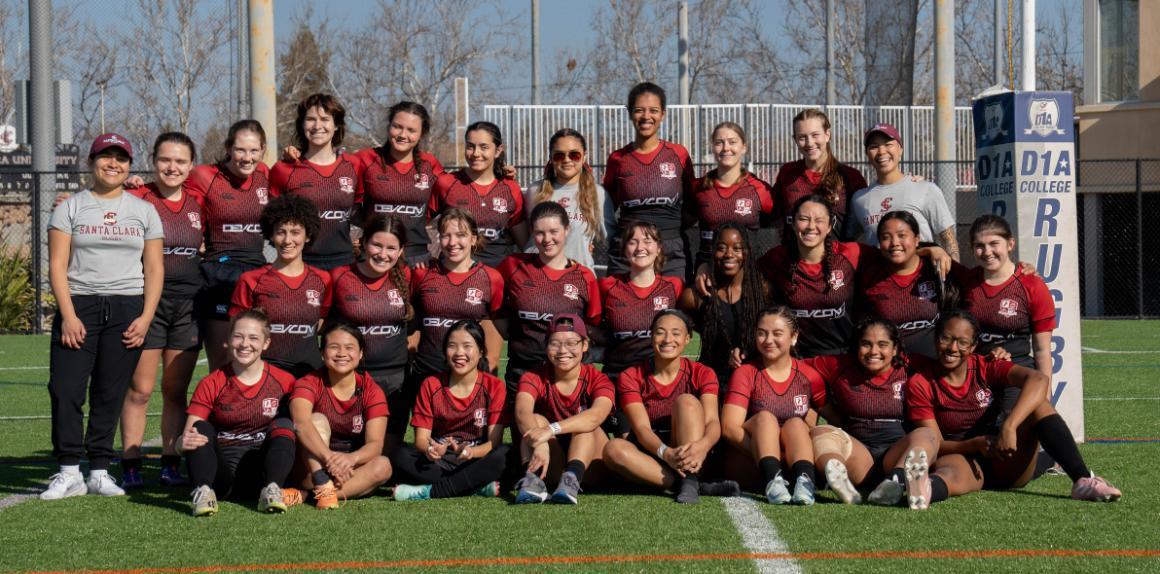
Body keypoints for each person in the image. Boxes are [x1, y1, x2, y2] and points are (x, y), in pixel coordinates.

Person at [878, 310, 1121, 509]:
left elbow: (1038, 380)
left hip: (1003, 459)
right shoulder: (921, 382)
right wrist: (973, 445)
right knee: (950, 473)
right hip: (959, 454)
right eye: (946, 339)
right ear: (935, 340)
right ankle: (924, 489)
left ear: (974, 346)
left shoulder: (986, 366)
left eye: (962, 342)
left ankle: (1082, 480)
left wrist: (1009, 425)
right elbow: (935, 442)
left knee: (1039, 405)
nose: (952, 347)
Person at [41, 133, 164, 500]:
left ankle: (98, 470)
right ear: (91, 162)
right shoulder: (70, 208)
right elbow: (57, 265)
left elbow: (155, 268)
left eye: (121, 158)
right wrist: (68, 314)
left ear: (129, 165)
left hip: (127, 307)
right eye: (105, 157)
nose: (114, 164)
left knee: (109, 393)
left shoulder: (143, 210)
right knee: (65, 390)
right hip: (80, 305)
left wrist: (145, 318)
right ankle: (67, 470)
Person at [758, 195, 949, 358]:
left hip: (843, 356)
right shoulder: (776, 259)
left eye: (819, 220)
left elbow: (893, 251)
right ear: (793, 223)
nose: (811, 226)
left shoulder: (850, 253)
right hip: (798, 358)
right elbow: (748, 276)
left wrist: (932, 249)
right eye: (804, 219)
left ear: (829, 226)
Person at [120, 132, 203, 489]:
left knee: (174, 390)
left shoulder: (200, 201)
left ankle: (171, 462)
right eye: (165, 160)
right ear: (153, 161)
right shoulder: (136, 196)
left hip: (189, 306)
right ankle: (131, 462)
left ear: (191, 166)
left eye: (180, 161)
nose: (172, 167)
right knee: (139, 389)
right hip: (146, 302)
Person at [602, 310, 739, 504]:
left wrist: (703, 446)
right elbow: (642, 429)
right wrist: (665, 453)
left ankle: (690, 479)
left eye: (676, 333)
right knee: (612, 450)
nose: (667, 339)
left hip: (696, 456)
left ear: (687, 339)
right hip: (656, 455)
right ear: (651, 336)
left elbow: (712, 421)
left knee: (687, 402)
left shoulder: (703, 373)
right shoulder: (631, 376)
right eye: (660, 332)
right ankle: (691, 485)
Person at [179, 309, 299, 516]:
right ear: (228, 340)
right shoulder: (212, 382)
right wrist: (179, 443)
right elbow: (189, 435)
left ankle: (273, 490)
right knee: (199, 428)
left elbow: (300, 429)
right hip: (220, 478)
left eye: (254, 338)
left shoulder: (285, 381)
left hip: (261, 473)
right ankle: (204, 493)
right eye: (238, 336)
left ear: (266, 343)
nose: (245, 344)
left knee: (285, 425)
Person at [805, 318, 929, 505]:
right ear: (856, 346)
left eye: (882, 345)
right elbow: (796, 368)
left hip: (896, 455)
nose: (874, 352)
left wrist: (990, 358)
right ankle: (838, 476)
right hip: (858, 455)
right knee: (820, 432)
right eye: (866, 344)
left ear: (895, 349)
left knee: (926, 434)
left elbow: (949, 365)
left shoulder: (910, 366)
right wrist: (823, 403)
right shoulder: (840, 366)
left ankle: (897, 481)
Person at [187, 119, 272, 370]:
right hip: (219, 275)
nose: (247, 158)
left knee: (256, 361)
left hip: (257, 274)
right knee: (223, 363)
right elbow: (168, 195)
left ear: (263, 149)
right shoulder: (204, 176)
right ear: (228, 147)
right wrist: (134, 184)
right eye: (241, 150)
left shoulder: (265, 174)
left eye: (254, 150)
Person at [391, 320, 508, 500]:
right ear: (445, 352)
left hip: (474, 458)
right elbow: (421, 439)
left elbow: (494, 442)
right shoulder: (431, 384)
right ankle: (473, 486)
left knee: (504, 455)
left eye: (467, 346)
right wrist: (432, 450)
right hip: (440, 460)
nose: (459, 353)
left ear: (481, 352)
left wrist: (470, 452)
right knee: (399, 456)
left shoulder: (494, 386)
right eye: (452, 346)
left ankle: (430, 492)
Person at [721, 307, 826, 505]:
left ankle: (805, 482)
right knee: (765, 418)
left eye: (777, 333)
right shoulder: (745, 372)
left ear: (794, 337)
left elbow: (819, 422)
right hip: (750, 461)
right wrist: (771, 456)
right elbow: (729, 428)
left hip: (791, 459)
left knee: (796, 423)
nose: (768, 340)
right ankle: (772, 479)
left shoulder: (809, 376)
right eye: (762, 333)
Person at [497, 201, 602, 395]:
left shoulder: (584, 277)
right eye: (539, 232)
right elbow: (496, 312)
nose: (547, 239)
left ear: (567, 230)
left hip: (569, 373)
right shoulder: (512, 266)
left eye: (554, 231)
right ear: (531, 232)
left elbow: (591, 325)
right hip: (523, 371)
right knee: (526, 424)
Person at [328, 215, 412, 452]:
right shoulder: (340, 277)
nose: (383, 254)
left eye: (391, 248)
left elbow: (414, 323)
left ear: (401, 250)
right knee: (348, 449)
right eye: (377, 245)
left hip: (395, 379)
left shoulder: (407, 276)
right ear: (363, 243)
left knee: (387, 455)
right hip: (352, 378)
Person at [287, 322, 393, 509]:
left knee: (383, 465)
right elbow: (301, 423)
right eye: (334, 347)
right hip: (310, 467)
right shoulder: (308, 382)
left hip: (347, 469)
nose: (342, 353)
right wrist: (329, 459)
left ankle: (310, 495)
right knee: (316, 419)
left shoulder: (372, 390)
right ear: (322, 353)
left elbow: (375, 445)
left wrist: (351, 459)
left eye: (349, 348)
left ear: (360, 354)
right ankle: (320, 485)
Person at [513, 314, 615, 505]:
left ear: (584, 345)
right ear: (546, 346)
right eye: (555, 343)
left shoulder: (598, 379)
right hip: (550, 462)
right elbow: (522, 413)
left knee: (583, 423)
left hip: (591, 465)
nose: (562, 351)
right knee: (535, 418)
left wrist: (550, 430)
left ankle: (571, 480)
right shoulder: (533, 377)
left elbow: (596, 416)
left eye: (571, 343)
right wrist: (540, 442)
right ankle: (534, 481)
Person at [410, 209, 505, 403]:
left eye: (461, 235)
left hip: (470, 375)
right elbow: (412, 322)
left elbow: (497, 325)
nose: (453, 243)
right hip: (428, 373)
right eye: (446, 236)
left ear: (473, 238)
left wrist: (488, 364)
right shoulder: (422, 274)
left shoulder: (490, 278)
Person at [230, 195, 331, 378]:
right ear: (270, 234)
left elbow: (321, 323)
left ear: (308, 235)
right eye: (281, 231)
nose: (287, 240)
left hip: (310, 372)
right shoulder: (251, 280)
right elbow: (237, 333)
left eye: (295, 232)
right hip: (265, 373)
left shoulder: (323, 280)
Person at [603, 82, 695, 278]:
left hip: (671, 250)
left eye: (653, 110)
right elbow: (605, 208)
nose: (646, 117)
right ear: (629, 113)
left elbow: (693, 203)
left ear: (663, 114)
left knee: (674, 308)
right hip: (629, 251)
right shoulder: (618, 159)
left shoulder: (679, 155)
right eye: (639, 110)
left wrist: (670, 230)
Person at [269, 93, 360, 270]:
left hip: (344, 262)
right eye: (310, 119)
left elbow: (362, 210)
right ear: (302, 124)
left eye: (325, 119)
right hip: (300, 263)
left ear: (336, 126)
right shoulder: (283, 169)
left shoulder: (354, 165)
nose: (317, 126)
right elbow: (270, 220)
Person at [958, 215, 1055, 375]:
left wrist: (1044, 396)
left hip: (1016, 374)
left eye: (994, 244)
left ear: (1010, 244)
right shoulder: (965, 280)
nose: (987, 252)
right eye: (979, 246)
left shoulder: (1032, 285)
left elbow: (1042, 350)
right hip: (973, 375)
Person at [847, 123, 959, 259]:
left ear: (900, 149)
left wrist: (955, 275)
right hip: (882, 278)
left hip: (922, 277)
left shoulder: (925, 189)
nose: (882, 152)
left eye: (888, 144)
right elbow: (848, 240)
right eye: (874, 147)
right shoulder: (859, 199)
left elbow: (948, 239)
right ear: (867, 154)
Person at [856, 211, 957, 359]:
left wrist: (934, 249)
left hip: (933, 369)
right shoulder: (870, 277)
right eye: (886, 237)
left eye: (902, 235)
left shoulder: (937, 267)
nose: (895, 242)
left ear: (917, 239)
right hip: (890, 371)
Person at [354, 101, 444, 264]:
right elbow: (341, 196)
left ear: (421, 133)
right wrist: (370, 227)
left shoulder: (430, 164)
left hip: (416, 259)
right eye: (397, 126)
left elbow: (455, 190)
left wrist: (502, 174)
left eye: (411, 130)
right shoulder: (365, 159)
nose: (403, 135)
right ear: (389, 126)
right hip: (374, 256)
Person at [679, 224, 768, 385]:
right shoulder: (694, 297)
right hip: (710, 383)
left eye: (737, 248)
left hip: (752, 382)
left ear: (746, 252)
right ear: (712, 252)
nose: (729, 254)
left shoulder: (762, 291)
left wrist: (748, 351)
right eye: (721, 248)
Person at [430, 121, 523, 267]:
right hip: (453, 273)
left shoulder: (511, 188)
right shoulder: (446, 183)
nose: (475, 153)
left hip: (498, 275)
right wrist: (418, 252)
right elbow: (417, 222)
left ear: (498, 151)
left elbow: (523, 241)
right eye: (470, 146)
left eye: (484, 147)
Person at [599, 222, 684, 381]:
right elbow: (591, 322)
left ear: (659, 248)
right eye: (632, 242)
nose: (640, 247)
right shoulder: (607, 286)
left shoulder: (674, 286)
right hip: (617, 376)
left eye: (647, 241)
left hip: (659, 378)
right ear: (624, 250)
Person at [770, 108, 867, 242]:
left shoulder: (850, 177)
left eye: (815, 135)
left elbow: (862, 228)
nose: (809, 143)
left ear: (827, 135)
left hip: (836, 260)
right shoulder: (788, 173)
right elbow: (772, 216)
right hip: (795, 261)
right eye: (802, 137)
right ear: (795, 140)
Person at [521, 128, 610, 269]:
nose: (567, 160)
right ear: (551, 158)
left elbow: (613, 240)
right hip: (538, 278)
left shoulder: (598, 193)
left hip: (578, 279)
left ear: (584, 156)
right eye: (559, 155)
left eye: (574, 155)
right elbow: (526, 237)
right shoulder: (535, 191)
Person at [691, 121, 774, 265]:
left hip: (748, 269)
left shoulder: (760, 189)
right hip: (708, 270)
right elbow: (683, 221)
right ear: (713, 148)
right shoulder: (698, 187)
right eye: (719, 143)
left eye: (732, 142)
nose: (726, 148)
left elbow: (777, 223)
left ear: (743, 147)